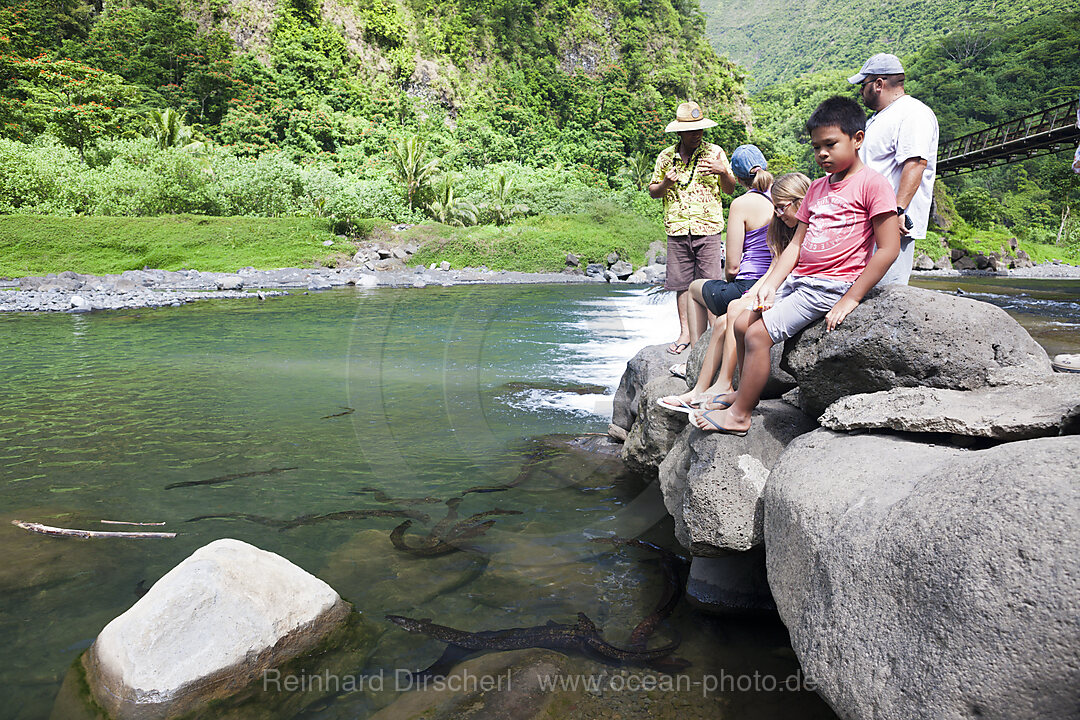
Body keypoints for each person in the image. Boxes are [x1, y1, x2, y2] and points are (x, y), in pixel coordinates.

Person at [690, 96, 899, 434]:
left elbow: (888, 249)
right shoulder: (816, 189)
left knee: (757, 336)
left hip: (830, 285)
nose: (822, 154)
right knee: (742, 322)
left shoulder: (873, 184)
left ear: (857, 139)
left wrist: (851, 298)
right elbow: (795, 246)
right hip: (800, 280)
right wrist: (771, 284)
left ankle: (740, 417)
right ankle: (745, 395)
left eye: (830, 144)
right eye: (817, 147)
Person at [659, 172, 811, 413]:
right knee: (721, 321)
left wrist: (755, 294)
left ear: (801, 201)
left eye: (783, 208)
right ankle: (699, 389)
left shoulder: (805, 227)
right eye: (777, 209)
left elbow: (769, 268)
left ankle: (724, 384)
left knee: (733, 310)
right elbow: (774, 267)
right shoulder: (782, 226)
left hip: (793, 291)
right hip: (769, 284)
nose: (779, 214)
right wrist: (755, 292)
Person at [666, 144, 774, 378]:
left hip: (748, 287)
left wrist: (728, 279)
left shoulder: (742, 204)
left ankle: (694, 362)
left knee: (695, 288)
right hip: (774, 285)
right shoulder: (784, 194)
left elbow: (733, 266)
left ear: (736, 175)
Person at [648, 101, 737, 355]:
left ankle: (712, 334)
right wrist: (665, 183)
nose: (697, 134)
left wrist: (723, 172)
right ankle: (686, 334)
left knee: (710, 283)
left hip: (708, 228)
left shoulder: (715, 152)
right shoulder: (666, 157)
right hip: (677, 228)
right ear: (680, 132)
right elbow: (654, 191)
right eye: (691, 130)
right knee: (681, 284)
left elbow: (730, 189)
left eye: (700, 129)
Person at [849, 53, 938, 286]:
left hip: (891, 222)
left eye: (863, 85)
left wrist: (898, 210)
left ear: (879, 84)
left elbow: (916, 163)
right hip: (867, 220)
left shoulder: (913, 113)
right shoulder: (878, 118)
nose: (860, 91)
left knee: (886, 292)